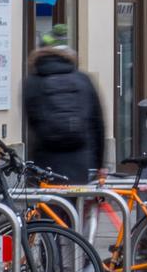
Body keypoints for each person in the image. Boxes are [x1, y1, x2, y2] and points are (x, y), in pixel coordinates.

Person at [21, 27, 106, 185]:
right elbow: (97, 125)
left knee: (47, 207)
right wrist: (99, 164)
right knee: (74, 207)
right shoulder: (83, 80)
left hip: (45, 161)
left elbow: (32, 124)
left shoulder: (32, 83)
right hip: (80, 161)